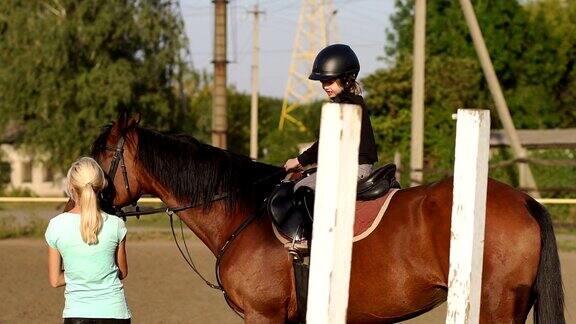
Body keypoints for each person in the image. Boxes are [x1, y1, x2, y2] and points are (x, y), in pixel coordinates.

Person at [45, 157, 131, 324]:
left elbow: (55, 280)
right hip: (115, 312)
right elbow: (122, 272)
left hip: (77, 313)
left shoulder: (55, 226)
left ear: (70, 187)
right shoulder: (116, 225)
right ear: (102, 185)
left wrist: (80, 274)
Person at [284, 44, 378, 190]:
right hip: (349, 167)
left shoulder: (348, 105)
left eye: (330, 81)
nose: (325, 86)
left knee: (300, 189)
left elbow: (327, 141)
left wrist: (298, 160)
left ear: (346, 79)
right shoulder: (350, 101)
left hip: (356, 169)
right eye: (323, 82)